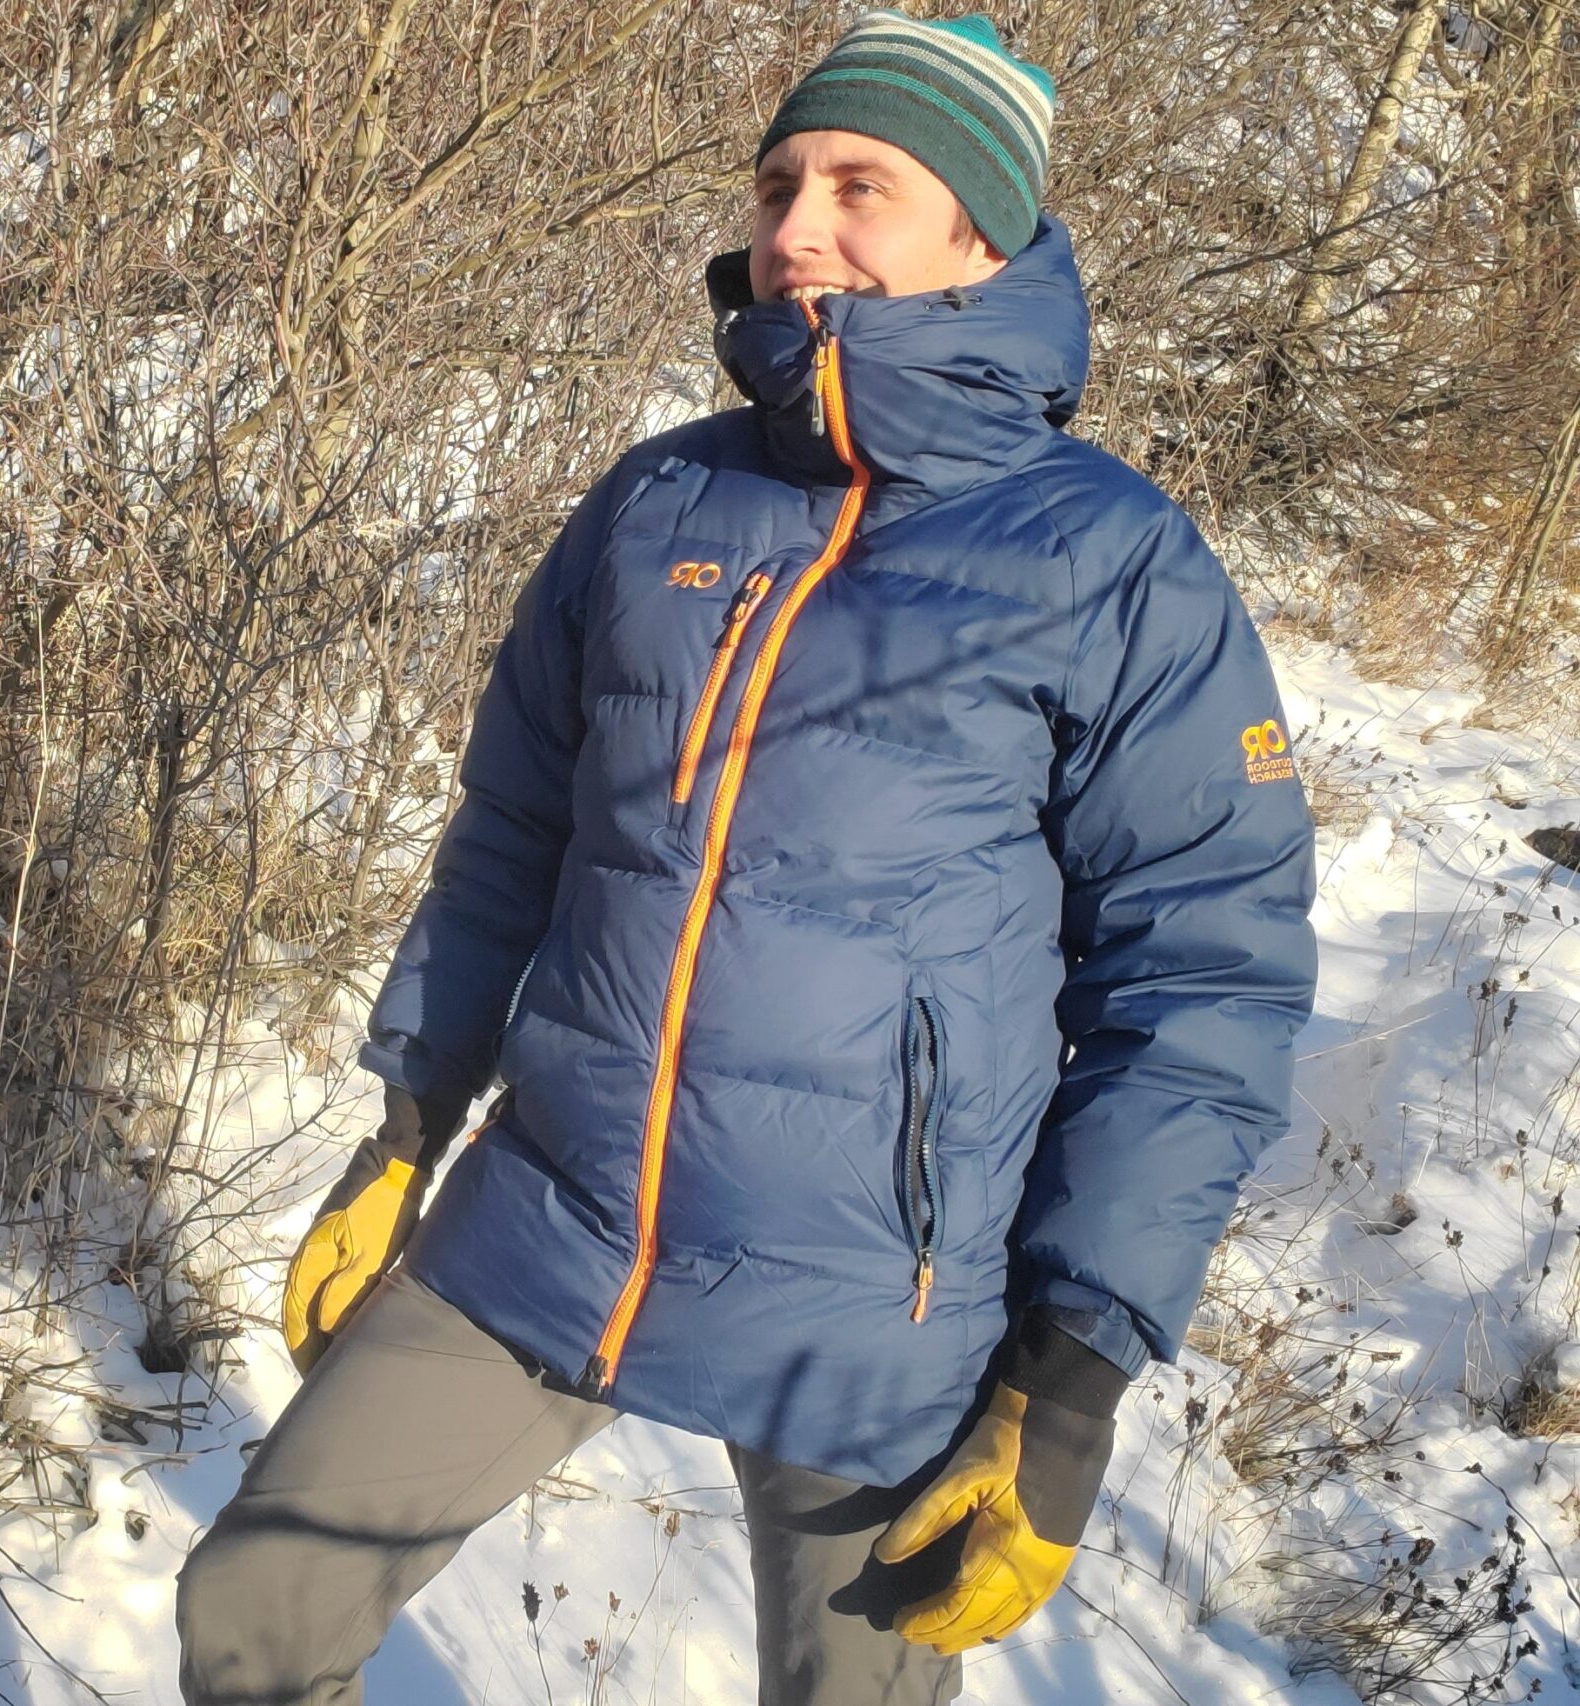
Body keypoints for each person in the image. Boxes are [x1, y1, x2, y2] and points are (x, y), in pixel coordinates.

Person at [175, 12, 1318, 1704]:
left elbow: (1203, 980)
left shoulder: (1113, 560)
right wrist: (406, 1125)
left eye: (861, 184)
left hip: (875, 1306)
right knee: (251, 1619)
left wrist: (1068, 1378)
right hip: (548, 1226)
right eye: (782, 180)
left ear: (980, 235)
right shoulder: (657, 503)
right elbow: (516, 836)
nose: (793, 228)